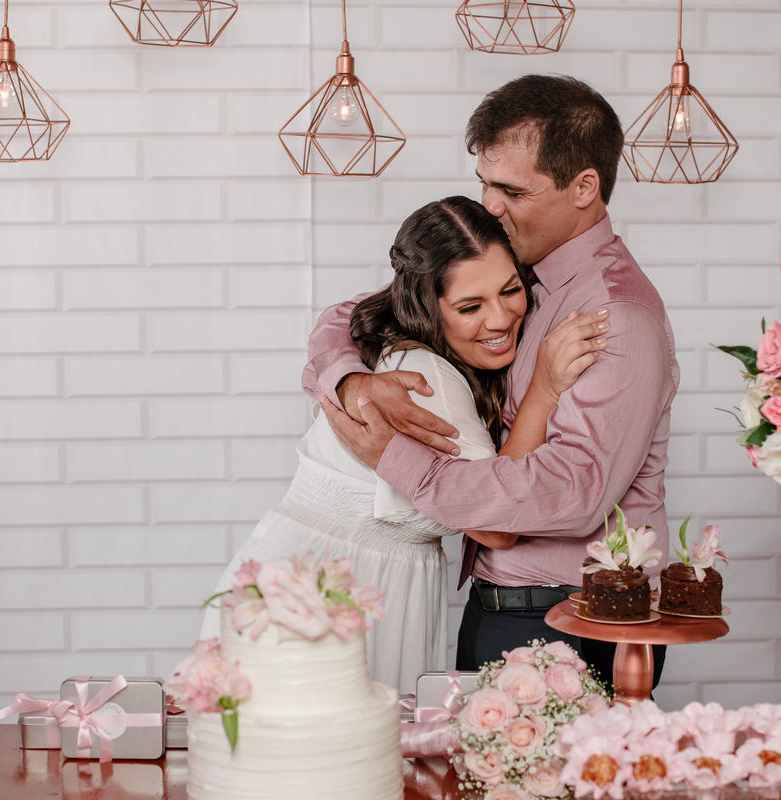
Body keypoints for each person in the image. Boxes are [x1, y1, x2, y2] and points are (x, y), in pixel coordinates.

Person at [309, 74, 679, 689]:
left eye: (510, 190)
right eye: (484, 182)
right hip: (505, 610)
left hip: (570, 620)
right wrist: (350, 382)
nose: (490, 205)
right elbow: (353, 316)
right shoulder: (514, 268)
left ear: (584, 187)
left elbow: (573, 491)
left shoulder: (614, 315)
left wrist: (396, 458)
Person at [201, 196, 605, 694]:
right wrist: (543, 389)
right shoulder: (427, 379)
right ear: (426, 307)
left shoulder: (396, 343)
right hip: (333, 592)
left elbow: (342, 314)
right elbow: (497, 527)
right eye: (471, 307)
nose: (500, 318)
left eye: (511, 290)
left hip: (311, 568)